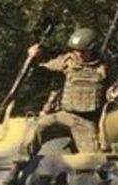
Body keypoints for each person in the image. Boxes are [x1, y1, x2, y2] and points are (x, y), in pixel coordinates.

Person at [26, 26, 110, 154]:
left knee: (92, 158)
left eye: (83, 51)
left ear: (93, 50)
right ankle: (22, 163)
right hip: (64, 115)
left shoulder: (104, 67)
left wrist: (114, 94)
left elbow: (116, 89)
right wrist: (36, 55)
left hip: (86, 121)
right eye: (76, 51)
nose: (78, 54)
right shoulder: (68, 61)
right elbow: (45, 65)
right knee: (36, 128)